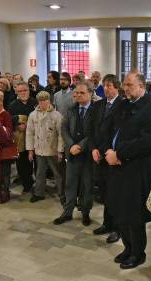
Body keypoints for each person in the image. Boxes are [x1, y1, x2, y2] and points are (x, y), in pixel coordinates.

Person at [105, 71, 151, 269]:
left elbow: (147, 141)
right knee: (120, 211)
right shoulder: (123, 103)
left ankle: (138, 253)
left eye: (129, 84)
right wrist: (108, 150)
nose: (125, 88)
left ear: (141, 85)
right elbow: (111, 129)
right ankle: (127, 248)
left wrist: (119, 154)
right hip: (117, 166)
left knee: (134, 215)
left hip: (135, 168)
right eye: (124, 85)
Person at [90, 74, 126, 244]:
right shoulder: (98, 105)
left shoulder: (123, 105)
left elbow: (121, 132)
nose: (106, 88)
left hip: (113, 156)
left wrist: (113, 152)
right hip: (100, 155)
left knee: (116, 194)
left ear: (117, 87)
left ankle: (118, 228)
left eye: (110, 85)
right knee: (104, 191)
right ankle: (107, 223)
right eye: (104, 85)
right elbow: (91, 129)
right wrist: (94, 148)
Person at [53, 81, 95, 226]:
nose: (77, 95)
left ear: (90, 93)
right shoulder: (71, 109)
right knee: (70, 184)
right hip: (72, 154)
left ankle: (85, 213)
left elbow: (95, 132)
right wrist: (71, 145)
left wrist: (80, 146)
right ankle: (67, 212)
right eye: (76, 92)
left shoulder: (96, 110)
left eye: (81, 93)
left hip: (88, 154)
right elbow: (63, 129)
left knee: (87, 185)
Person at [26, 91, 64, 203]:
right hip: (39, 150)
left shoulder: (56, 115)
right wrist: (30, 150)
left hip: (53, 150)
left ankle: (62, 194)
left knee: (58, 173)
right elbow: (29, 133)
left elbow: (61, 134)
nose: (43, 102)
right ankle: (39, 193)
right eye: (40, 100)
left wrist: (60, 150)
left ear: (49, 101)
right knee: (39, 173)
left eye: (45, 100)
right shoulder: (33, 115)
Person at [8, 81, 38, 194]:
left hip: (36, 138)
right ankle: (27, 184)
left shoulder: (35, 103)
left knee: (38, 163)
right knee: (22, 163)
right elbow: (9, 120)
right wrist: (17, 125)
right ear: (16, 92)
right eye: (20, 91)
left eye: (25, 90)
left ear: (29, 91)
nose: (23, 93)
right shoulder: (12, 105)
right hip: (21, 140)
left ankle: (39, 185)